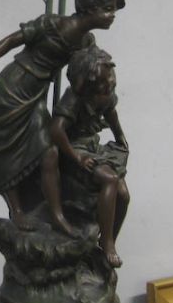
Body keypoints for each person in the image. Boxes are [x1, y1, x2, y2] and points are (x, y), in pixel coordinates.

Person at [0, 0, 124, 235]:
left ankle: (57, 216)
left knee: (49, 153)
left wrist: (100, 96)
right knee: (7, 150)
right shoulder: (52, 24)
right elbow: (13, 39)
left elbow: (86, 73)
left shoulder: (86, 43)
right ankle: (17, 210)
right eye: (107, 9)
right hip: (11, 89)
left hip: (37, 94)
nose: (112, 15)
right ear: (90, 9)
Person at [50, 45, 129, 267]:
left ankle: (107, 239)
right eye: (103, 81)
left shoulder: (105, 94)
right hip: (74, 150)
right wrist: (77, 157)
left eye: (111, 78)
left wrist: (120, 137)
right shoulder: (74, 98)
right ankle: (108, 243)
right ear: (88, 81)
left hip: (94, 147)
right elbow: (56, 130)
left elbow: (111, 115)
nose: (109, 84)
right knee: (109, 179)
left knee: (123, 195)